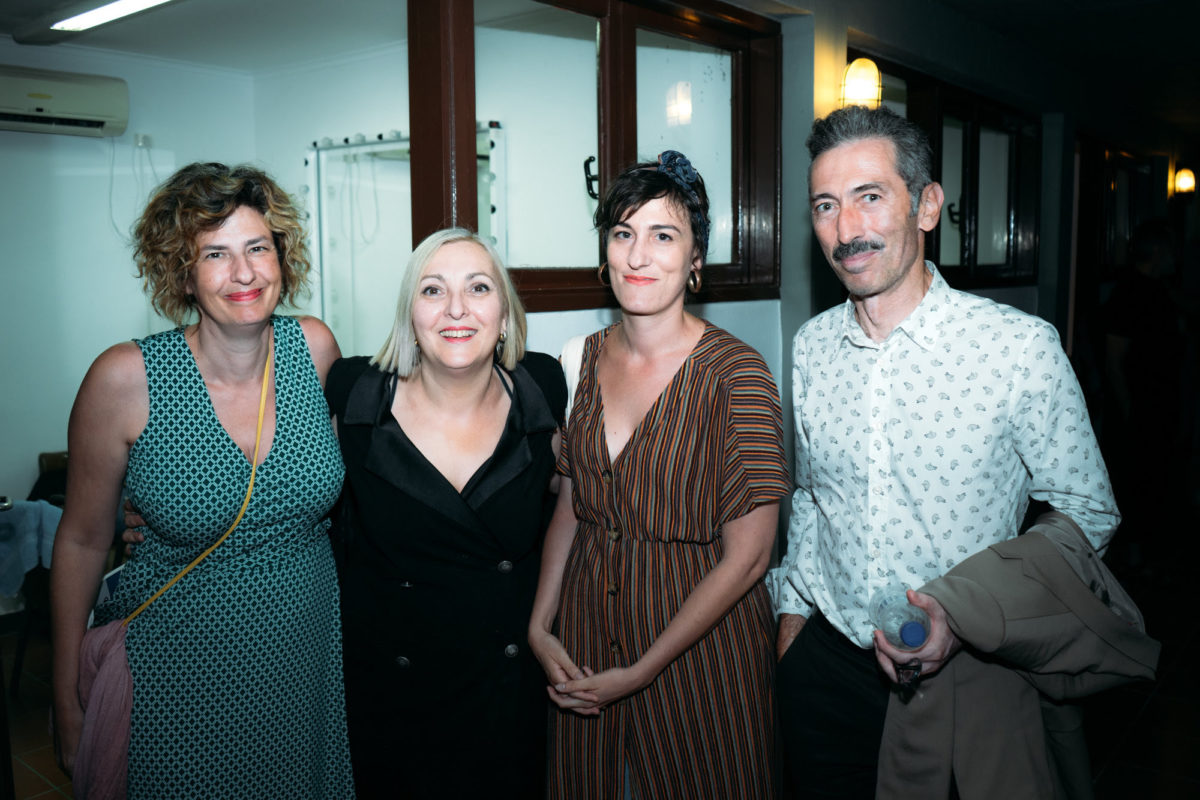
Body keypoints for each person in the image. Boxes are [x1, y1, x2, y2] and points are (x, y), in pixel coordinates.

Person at [768, 105, 1121, 798]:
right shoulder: (811, 348)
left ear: (927, 206)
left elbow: (1088, 511)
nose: (846, 229)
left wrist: (963, 615)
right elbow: (811, 496)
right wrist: (792, 627)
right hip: (826, 672)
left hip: (966, 677)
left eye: (870, 197)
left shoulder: (1017, 348)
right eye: (826, 206)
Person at [50, 163, 354, 797]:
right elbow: (80, 540)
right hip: (176, 672)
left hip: (305, 661)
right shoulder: (125, 378)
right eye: (215, 254)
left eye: (258, 248)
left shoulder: (316, 350)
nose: (244, 273)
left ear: (281, 258)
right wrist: (66, 693)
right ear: (182, 273)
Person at [529, 151, 791, 798]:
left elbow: (750, 559)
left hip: (700, 656)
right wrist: (540, 624)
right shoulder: (582, 361)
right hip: (588, 643)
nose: (638, 256)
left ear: (696, 258)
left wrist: (643, 670)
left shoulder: (737, 376)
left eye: (663, 236)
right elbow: (573, 507)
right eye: (623, 234)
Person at [324, 228, 566, 798]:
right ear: (410, 317)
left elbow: (581, 500)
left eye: (478, 288)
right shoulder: (353, 395)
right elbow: (288, 489)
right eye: (432, 290)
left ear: (504, 316)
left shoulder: (545, 388)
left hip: (508, 696)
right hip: (389, 700)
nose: (456, 308)